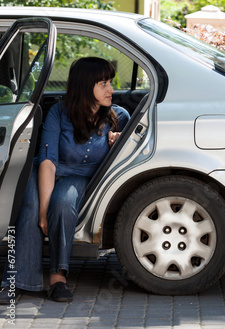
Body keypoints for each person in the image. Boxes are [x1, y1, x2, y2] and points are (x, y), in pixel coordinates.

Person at [0, 57, 130, 303]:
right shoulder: (58, 113)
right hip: (46, 169)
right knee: (29, 208)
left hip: (81, 176)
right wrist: (42, 212)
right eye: (103, 83)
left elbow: (130, 154)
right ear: (84, 85)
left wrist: (118, 144)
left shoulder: (119, 116)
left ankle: (58, 277)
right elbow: (48, 160)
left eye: (110, 82)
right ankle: (15, 280)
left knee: (63, 204)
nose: (111, 89)